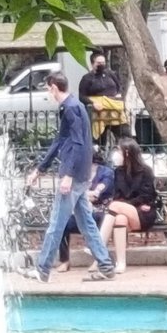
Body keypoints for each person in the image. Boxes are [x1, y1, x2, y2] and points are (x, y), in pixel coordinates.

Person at [29, 72, 114, 281]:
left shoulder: (71, 109)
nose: (47, 93)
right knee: (86, 222)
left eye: (47, 89)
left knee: (56, 223)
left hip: (74, 176)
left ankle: (42, 270)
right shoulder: (71, 107)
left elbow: (77, 144)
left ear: (53, 88)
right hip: (80, 175)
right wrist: (39, 169)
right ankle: (105, 266)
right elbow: (60, 141)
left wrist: (67, 175)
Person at [94, 139, 161, 272]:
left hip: (144, 213)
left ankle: (97, 248)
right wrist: (123, 207)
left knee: (115, 206)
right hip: (123, 212)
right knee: (120, 219)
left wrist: (123, 206)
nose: (115, 154)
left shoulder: (145, 171)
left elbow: (146, 196)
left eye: (118, 150)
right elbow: (117, 194)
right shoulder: (118, 172)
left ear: (127, 153)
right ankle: (121, 263)